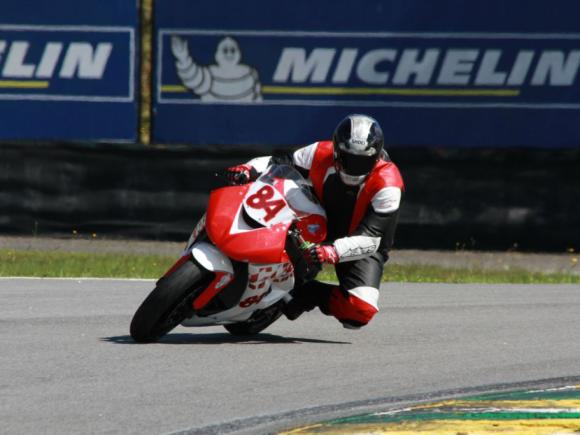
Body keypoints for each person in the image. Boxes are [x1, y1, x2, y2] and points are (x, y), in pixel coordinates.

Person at [224, 114, 404, 329]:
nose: (354, 168)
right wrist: (249, 169)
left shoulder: (389, 184)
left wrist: (331, 252)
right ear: (337, 151)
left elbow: (371, 236)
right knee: (283, 190)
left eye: (363, 161)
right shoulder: (320, 152)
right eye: (348, 159)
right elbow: (279, 162)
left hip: (363, 243)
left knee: (358, 311)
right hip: (317, 217)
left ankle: (307, 293)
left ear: (376, 157)